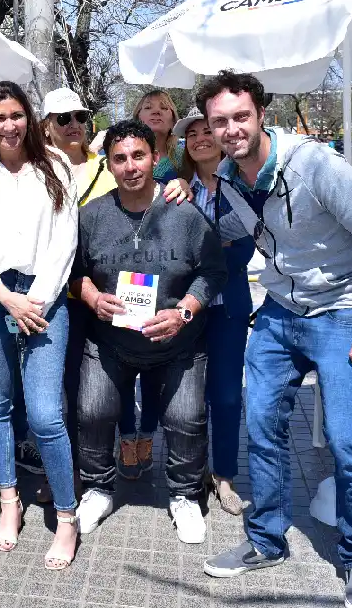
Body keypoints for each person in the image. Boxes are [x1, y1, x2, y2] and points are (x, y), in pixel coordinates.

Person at [197, 71, 352, 608]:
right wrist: (185, 199)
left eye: (241, 116)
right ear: (209, 128)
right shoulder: (231, 176)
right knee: (260, 425)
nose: (232, 128)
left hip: (341, 312)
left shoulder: (313, 164)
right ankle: (266, 541)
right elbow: (241, 231)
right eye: (221, 121)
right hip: (280, 311)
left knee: (346, 438)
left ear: (261, 113)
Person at [70, 119, 226, 544]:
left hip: (178, 343)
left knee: (186, 419)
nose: (130, 166)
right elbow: (76, 273)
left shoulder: (185, 213)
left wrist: (186, 314)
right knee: (92, 412)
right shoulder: (91, 216)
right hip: (111, 343)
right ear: (109, 164)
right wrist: (91, 298)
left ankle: (184, 496)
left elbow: (213, 272)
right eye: (119, 159)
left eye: (139, 155)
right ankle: (99, 488)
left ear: (155, 159)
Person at [0, 81, 79, 570]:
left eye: (17, 115)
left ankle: (66, 516)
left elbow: (65, 243)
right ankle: (10, 501)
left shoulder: (56, 167)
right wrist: (6, 298)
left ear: (30, 118)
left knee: (46, 413)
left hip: (44, 297)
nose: (9, 125)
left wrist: (37, 301)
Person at [174, 106, 254, 516]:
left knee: (224, 397)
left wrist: (205, 250)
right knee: (186, 399)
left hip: (227, 308)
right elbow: (172, 252)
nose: (202, 138)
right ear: (185, 145)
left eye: (208, 130)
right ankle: (188, 475)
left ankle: (223, 475)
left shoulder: (240, 185)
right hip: (185, 308)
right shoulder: (175, 187)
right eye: (193, 134)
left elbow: (243, 249)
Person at [41, 86, 116, 483]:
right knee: (65, 386)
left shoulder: (107, 167)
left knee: (103, 384)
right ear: (47, 126)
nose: (74, 125)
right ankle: (69, 471)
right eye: (63, 118)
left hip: (105, 294)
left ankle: (102, 463)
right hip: (60, 295)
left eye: (80, 117)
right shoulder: (36, 169)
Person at [114, 88, 182, 478]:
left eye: (164, 109)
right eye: (149, 108)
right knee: (124, 369)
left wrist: (184, 184)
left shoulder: (180, 157)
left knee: (155, 372)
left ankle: (147, 436)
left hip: (164, 274)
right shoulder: (116, 150)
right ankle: (126, 438)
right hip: (124, 271)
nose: (156, 113)